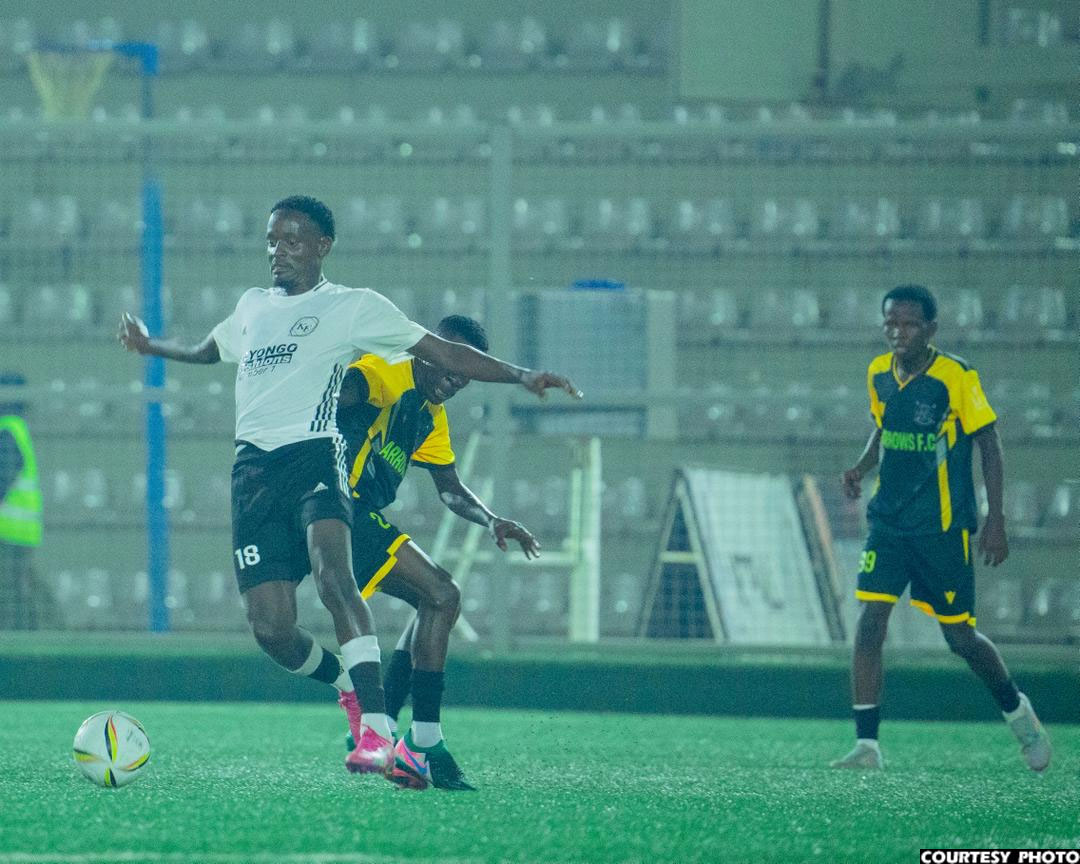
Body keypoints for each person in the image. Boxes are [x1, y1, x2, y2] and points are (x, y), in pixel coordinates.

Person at [118, 195, 580, 779]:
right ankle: (356, 694)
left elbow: (444, 359)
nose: (278, 251)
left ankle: (387, 735)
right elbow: (212, 350)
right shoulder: (255, 307)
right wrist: (152, 347)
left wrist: (521, 376)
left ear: (322, 247)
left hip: (315, 457)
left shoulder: (353, 308)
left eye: (291, 240)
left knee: (353, 582)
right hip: (253, 473)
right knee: (272, 628)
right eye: (272, 240)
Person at [831, 284, 1051, 773]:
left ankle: (1018, 713)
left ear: (930, 329)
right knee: (870, 621)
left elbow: (989, 444)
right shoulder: (877, 372)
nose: (898, 332)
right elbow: (884, 428)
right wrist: (861, 467)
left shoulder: (956, 376)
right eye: (890, 323)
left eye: (909, 324)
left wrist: (995, 519)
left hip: (942, 529)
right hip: (889, 523)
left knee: (960, 639)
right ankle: (867, 744)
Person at [335, 313, 540, 791]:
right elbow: (341, 393)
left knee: (433, 603)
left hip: (356, 514)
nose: (456, 378)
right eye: (450, 363)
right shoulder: (386, 369)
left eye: (465, 372)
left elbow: (448, 487)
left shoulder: (431, 415)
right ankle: (420, 742)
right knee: (443, 595)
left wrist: (492, 519)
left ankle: (385, 728)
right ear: (428, 349)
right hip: (341, 508)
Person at [0, 372, 43, 630]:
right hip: (19, 534)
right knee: (16, 593)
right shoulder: (16, 429)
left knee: (9, 598)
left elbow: (2, 479)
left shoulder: (7, 431)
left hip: (8, 535)